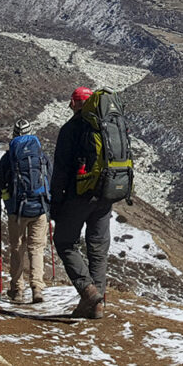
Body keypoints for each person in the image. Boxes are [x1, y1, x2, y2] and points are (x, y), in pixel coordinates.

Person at [51, 86, 113, 319]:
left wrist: (55, 203)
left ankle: (88, 292)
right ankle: (97, 305)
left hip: (79, 196)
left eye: (72, 101)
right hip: (105, 197)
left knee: (64, 241)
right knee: (98, 249)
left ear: (77, 104)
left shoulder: (70, 129)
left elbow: (61, 170)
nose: (69, 105)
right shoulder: (107, 127)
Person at [0, 118, 51, 304]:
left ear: (14, 136)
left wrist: (3, 197)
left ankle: (17, 290)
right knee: (36, 248)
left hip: (16, 210)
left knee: (17, 248)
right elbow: (51, 179)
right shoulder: (41, 156)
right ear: (31, 133)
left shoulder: (9, 158)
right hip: (40, 208)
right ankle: (37, 288)